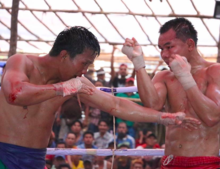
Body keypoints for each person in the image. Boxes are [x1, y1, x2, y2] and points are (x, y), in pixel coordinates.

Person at [0, 26, 200, 169]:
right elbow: (15, 94)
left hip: (35, 159)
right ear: (64, 56)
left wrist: (164, 117)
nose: (85, 70)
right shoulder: (21, 62)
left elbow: (116, 105)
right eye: (84, 63)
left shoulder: (76, 81)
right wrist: (61, 88)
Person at [122, 17, 220, 168]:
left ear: (190, 44)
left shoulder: (214, 71)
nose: (164, 54)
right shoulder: (164, 76)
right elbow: (152, 105)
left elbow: (211, 117)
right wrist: (138, 63)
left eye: (169, 47)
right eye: (161, 48)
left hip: (203, 162)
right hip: (170, 162)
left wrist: (186, 78)